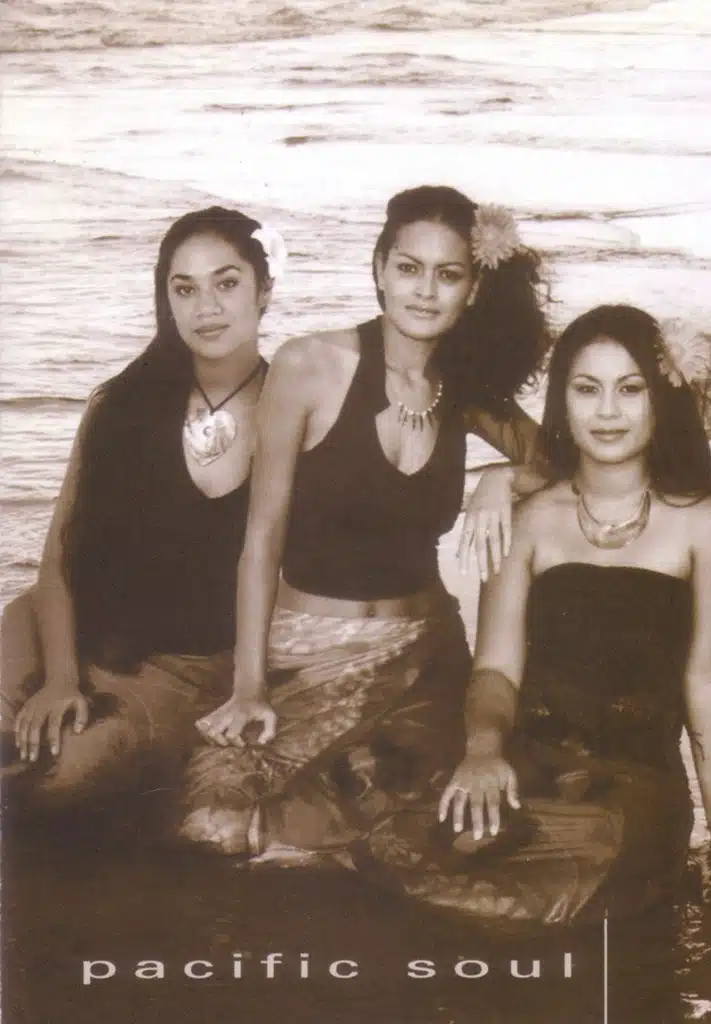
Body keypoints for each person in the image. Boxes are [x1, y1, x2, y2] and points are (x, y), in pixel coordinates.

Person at [343, 304, 711, 930]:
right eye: (587, 389)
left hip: (634, 788)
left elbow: (710, 679)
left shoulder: (704, 519)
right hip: (528, 764)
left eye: (630, 389)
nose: (607, 411)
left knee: (563, 882)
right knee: (401, 841)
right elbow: (497, 670)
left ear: (661, 398)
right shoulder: (528, 520)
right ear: (562, 401)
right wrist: (484, 752)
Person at [178, 185, 551, 857]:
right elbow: (260, 539)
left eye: (448, 274)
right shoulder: (310, 366)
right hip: (304, 656)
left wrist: (504, 478)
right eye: (408, 268)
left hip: (425, 658)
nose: (425, 291)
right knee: (216, 822)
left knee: (435, 819)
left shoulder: (462, 386)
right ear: (379, 270)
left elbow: (561, 462)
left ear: (473, 289)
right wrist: (250, 686)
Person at [0, 206, 282, 814]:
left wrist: (495, 478)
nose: (206, 306)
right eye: (185, 288)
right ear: (167, 300)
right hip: (55, 632)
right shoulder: (120, 404)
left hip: (185, 669)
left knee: (56, 776)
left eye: (226, 283)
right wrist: (60, 678)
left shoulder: (295, 411)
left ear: (265, 290)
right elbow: (58, 562)